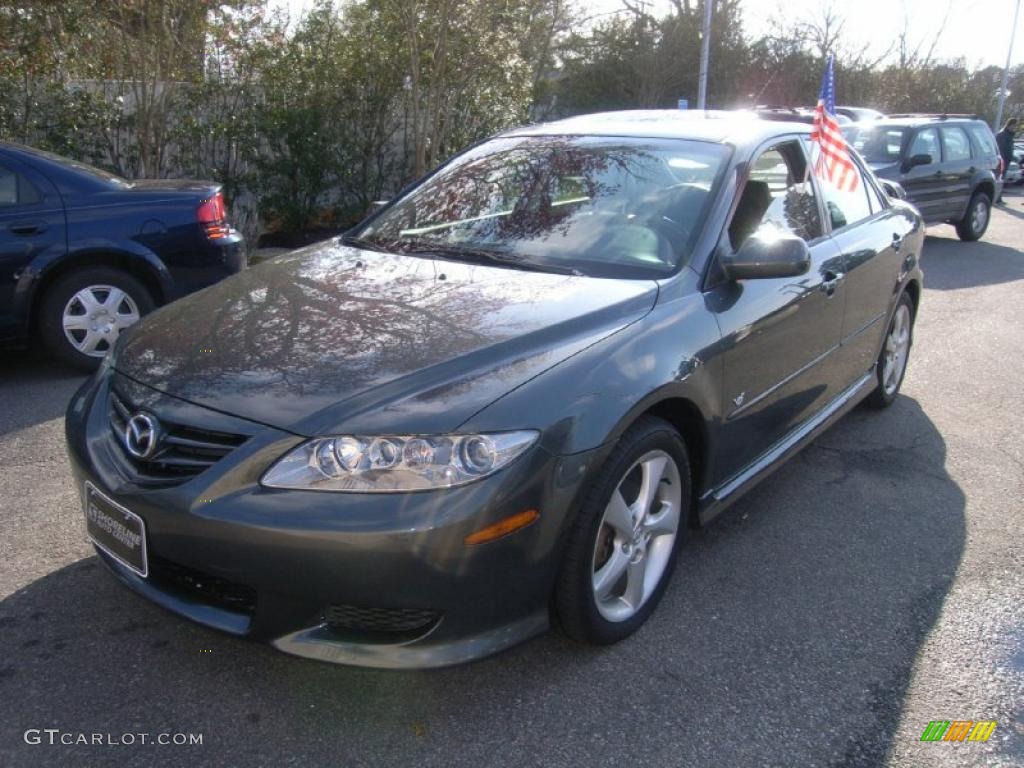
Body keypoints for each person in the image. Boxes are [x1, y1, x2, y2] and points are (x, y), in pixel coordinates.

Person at [995, 117, 1017, 204]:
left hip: (1006, 160)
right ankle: (997, 198)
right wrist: (1002, 161)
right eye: (1013, 126)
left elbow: (1009, 148)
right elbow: (1001, 149)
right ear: (1009, 125)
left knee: (1002, 179)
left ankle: (998, 198)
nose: (1014, 128)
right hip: (1002, 161)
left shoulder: (1009, 134)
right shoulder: (1003, 135)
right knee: (999, 179)